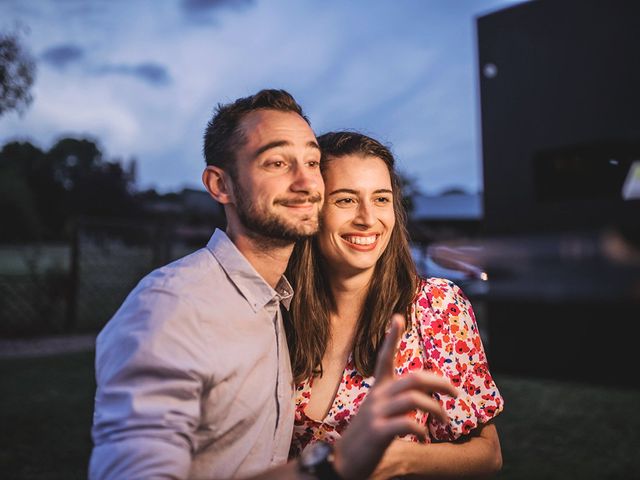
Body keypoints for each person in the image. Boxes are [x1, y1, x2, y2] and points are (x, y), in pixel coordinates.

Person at [89, 90, 459, 480]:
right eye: (278, 162)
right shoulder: (172, 309)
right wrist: (337, 463)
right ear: (220, 185)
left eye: (312, 162)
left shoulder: (279, 302)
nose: (305, 182)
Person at [286, 131, 504, 478]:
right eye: (345, 200)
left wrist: (400, 459)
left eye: (381, 199)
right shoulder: (279, 311)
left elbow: (488, 453)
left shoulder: (435, 307)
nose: (368, 218)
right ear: (313, 209)